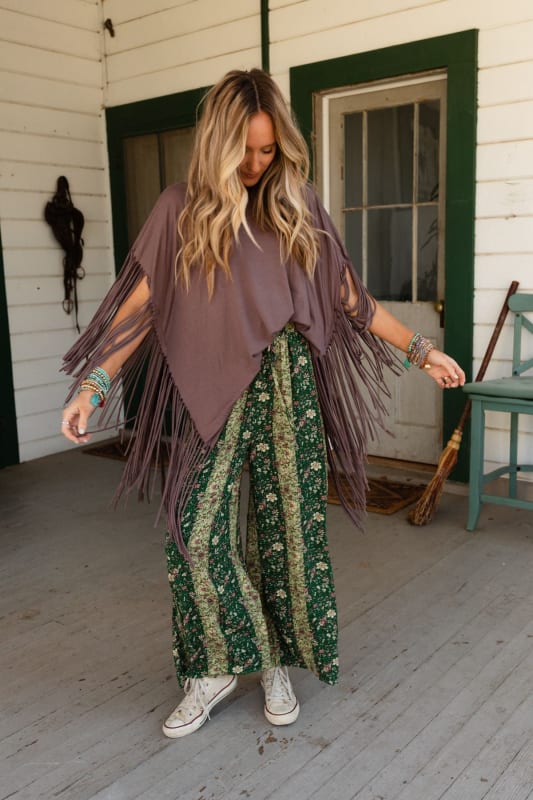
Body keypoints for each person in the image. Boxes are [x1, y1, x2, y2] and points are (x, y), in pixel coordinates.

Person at [61, 68, 465, 739]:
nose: (255, 163)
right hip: (210, 383)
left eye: (268, 149)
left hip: (286, 381)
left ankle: (272, 667)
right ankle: (220, 666)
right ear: (216, 144)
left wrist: (420, 351)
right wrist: (93, 384)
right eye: (244, 150)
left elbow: (348, 297)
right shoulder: (178, 208)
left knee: (288, 540)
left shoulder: (295, 204)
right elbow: (140, 308)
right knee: (194, 533)